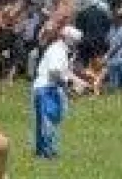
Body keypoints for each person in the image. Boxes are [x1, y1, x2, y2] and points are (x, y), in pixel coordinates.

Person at [31, 25, 86, 158]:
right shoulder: (58, 50)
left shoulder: (62, 50)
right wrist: (70, 84)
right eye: (75, 41)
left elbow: (64, 72)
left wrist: (79, 81)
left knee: (48, 120)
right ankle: (48, 152)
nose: (76, 44)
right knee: (48, 121)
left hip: (46, 88)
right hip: (46, 88)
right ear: (66, 38)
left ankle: (43, 151)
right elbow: (54, 72)